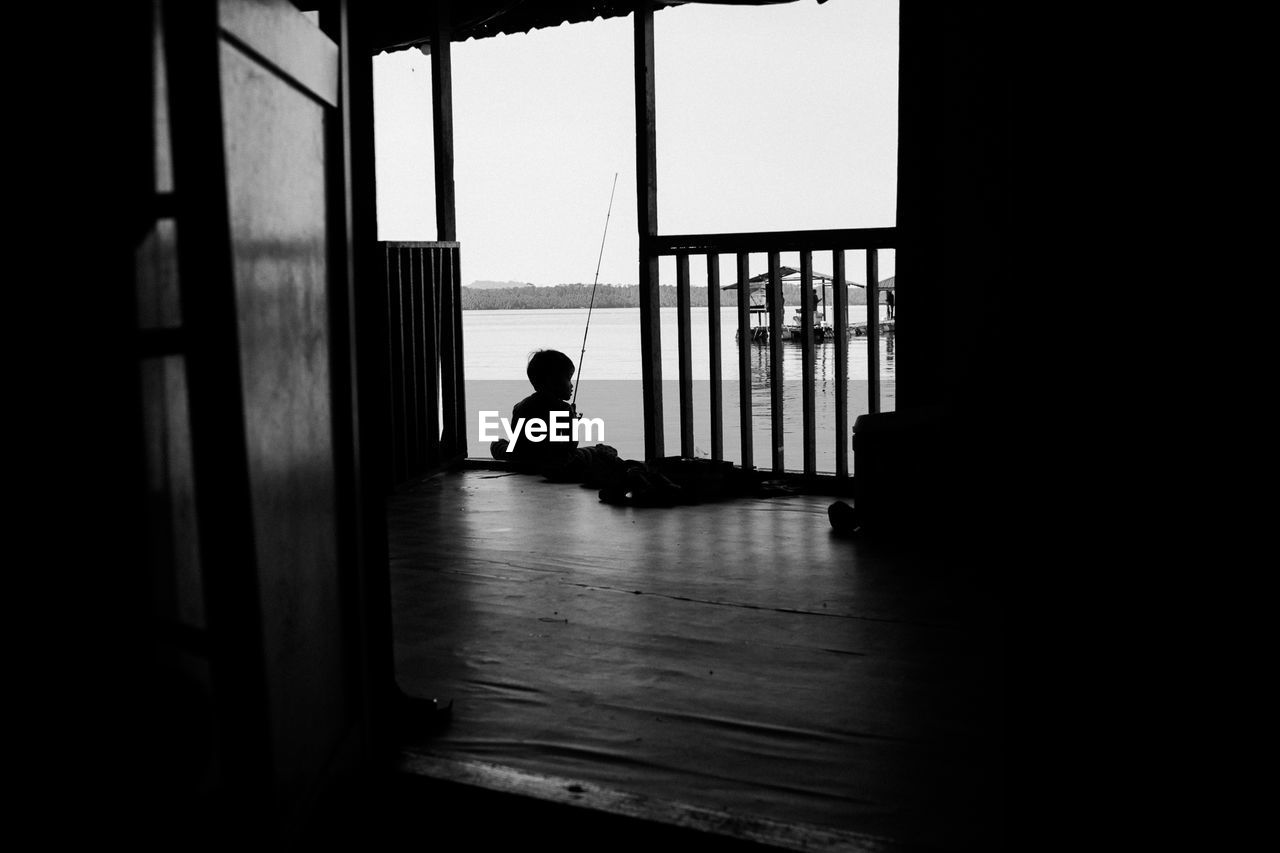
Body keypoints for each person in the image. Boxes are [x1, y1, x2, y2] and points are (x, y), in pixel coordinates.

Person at [491, 349, 682, 503]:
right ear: (552, 381)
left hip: (526, 459)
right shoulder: (561, 408)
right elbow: (568, 446)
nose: (571, 385)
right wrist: (571, 420)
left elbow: (520, 440)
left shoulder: (520, 406)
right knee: (600, 451)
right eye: (568, 379)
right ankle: (633, 472)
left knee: (500, 444)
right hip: (559, 465)